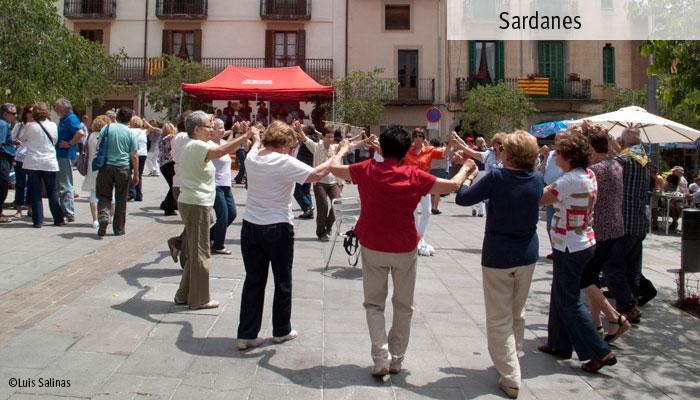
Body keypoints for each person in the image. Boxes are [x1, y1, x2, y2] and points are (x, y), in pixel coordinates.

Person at [327, 125, 474, 377]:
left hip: (373, 244)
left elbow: (333, 168)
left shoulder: (367, 169)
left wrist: (342, 150)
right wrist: (467, 170)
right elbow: (450, 186)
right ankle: (396, 359)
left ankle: (380, 356)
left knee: (374, 304)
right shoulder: (414, 175)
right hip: (404, 247)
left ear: (381, 148)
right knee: (404, 305)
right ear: (407, 149)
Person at [454, 131, 543, 399]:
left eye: (504, 148)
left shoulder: (497, 177)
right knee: (518, 312)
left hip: (498, 254)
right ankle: (512, 359)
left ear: (511, 154)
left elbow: (463, 198)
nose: (500, 150)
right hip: (527, 253)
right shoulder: (538, 179)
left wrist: (467, 175)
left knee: (498, 318)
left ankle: (510, 375)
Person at [236, 120, 336, 350]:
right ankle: (281, 330)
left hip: (250, 226)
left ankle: (246, 333)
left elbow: (256, 144)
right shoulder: (285, 160)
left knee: (253, 280)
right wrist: (338, 154)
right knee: (282, 281)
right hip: (277, 226)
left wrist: (255, 135)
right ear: (284, 143)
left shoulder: (253, 157)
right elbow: (315, 174)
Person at [538, 129, 617, 373]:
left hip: (571, 245)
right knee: (559, 294)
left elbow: (542, 198)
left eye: (558, 153)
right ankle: (559, 343)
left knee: (569, 301)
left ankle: (600, 351)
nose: (554, 156)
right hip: (577, 241)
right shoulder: (587, 174)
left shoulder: (571, 179)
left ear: (569, 157)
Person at [175, 111, 250, 310]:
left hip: (194, 202)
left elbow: (221, 146)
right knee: (201, 252)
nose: (211, 130)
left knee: (194, 251)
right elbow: (221, 151)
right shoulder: (198, 145)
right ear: (197, 129)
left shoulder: (194, 144)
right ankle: (199, 299)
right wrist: (246, 136)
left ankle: (183, 294)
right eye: (208, 126)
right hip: (196, 203)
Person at [580, 123, 631, 343]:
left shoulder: (595, 172)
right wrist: (600, 133)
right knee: (592, 278)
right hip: (615, 228)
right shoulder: (615, 164)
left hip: (599, 231)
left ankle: (614, 317)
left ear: (591, 148)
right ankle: (596, 325)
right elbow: (613, 149)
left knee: (583, 279)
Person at [606, 127, 652, 323]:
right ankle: (631, 302)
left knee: (612, 266)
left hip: (623, 222)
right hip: (640, 222)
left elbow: (612, 165)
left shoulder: (621, 162)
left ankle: (627, 305)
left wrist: (608, 142)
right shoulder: (646, 161)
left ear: (623, 143)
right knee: (632, 269)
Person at [402, 128, 450, 256]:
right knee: (413, 213)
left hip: (424, 185)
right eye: (416, 136)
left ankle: (419, 236)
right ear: (413, 138)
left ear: (424, 138)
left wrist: (451, 144)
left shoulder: (429, 150)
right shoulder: (407, 150)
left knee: (427, 211)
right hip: (410, 185)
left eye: (421, 136)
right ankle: (414, 238)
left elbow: (444, 154)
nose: (418, 138)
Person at [95, 107, 139, 237]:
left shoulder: (107, 128)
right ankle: (119, 229)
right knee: (121, 199)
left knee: (104, 195)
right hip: (123, 168)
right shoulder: (131, 133)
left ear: (117, 117)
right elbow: (134, 155)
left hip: (106, 167)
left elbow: (98, 145)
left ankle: (103, 216)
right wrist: (136, 174)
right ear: (130, 119)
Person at [296, 124, 342, 241]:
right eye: (328, 137)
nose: (330, 139)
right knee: (323, 207)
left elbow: (350, 145)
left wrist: (365, 141)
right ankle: (321, 232)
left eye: (332, 137)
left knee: (338, 204)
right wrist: (300, 129)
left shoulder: (335, 148)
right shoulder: (316, 147)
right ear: (323, 137)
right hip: (320, 182)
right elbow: (305, 139)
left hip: (333, 182)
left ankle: (328, 227)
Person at [209, 118, 248, 254]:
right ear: (211, 130)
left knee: (232, 213)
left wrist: (245, 131)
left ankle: (208, 236)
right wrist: (241, 135)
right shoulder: (209, 145)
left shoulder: (225, 143)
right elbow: (220, 151)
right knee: (223, 215)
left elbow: (245, 145)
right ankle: (218, 245)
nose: (221, 130)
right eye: (218, 127)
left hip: (226, 185)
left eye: (222, 127)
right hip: (215, 185)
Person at [22, 102, 64, 228]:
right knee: (52, 191)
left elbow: (25, 139)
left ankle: (38, 221)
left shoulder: (29, 126)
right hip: (49, 161)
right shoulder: (53, 125)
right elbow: (55, 140)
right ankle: (58, 218)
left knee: (35, 192)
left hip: (33, 161)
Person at [54, 97, 85, 222]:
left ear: (63, 107)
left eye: (56, 106)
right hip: (62, 155)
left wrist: (70, 143)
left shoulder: (70, 118)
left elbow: (80, 133)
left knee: (65, 184)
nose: (55, 109)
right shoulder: (65, 118)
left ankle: (68, 213)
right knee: (62, 184)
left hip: (65, 155)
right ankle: (65, 211)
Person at [81, 115, 112, 229]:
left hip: (92, 167)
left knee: (93, 194)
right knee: (110, 194)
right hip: (106, 166)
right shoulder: (108, 136)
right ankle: (109, 217)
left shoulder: (90, 136)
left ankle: (95, 220)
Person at [538, 134, 565, 259]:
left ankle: (562, 250)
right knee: (550, 225)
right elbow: (541, 171)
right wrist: (544, 157)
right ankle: (555, 250)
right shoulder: (551, 154)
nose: (557, 142)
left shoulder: (568, 155)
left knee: (562, 224)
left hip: (563, 194)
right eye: (557, 140)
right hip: (550, 191)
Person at [11, 105, 33, 219]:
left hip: (33, 158)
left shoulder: (37, 126)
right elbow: (11, 139)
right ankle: (19, 209)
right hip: (20, 157)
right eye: (29, 111)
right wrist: (15, 142)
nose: (31, 114)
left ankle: (30, 207)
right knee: (20, 184)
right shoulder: (19, 126)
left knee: (31, 184)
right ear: (25, 113)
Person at [292, 125, 315, 220]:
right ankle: (309, 210)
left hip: (302, 167)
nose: (302, 128)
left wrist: (297, 128)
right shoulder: (314, 138)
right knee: (305, 190)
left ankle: (308, 208)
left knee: (296, 189)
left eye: (304, 128)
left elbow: (296, 137)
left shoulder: (308, 138)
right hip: (308, 167)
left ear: (307, 131)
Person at [0, 103, 17, 223]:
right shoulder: (3, 124)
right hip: (3, 158)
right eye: (14, 113)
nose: (15, 116)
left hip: (5, 157)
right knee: (3, 185)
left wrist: (11, 142)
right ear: (5, 113)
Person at [158, 122, 178, 216]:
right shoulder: (171, 137)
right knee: (174, 186)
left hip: (163, 165)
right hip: (169, 164)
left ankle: (170, 205)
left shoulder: (163, 138)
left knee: (173, 186)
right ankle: (167, 205)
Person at [128, 116, 148, 201]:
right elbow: (154, 129)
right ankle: (139, 195)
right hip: (143, 154)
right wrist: (145, 122)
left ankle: (131, 192)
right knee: (139, 175)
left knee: (128, 173)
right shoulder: (144, 132)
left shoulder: (129, 131)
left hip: (132, 153)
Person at [428, 138, 449, 215]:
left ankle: (431, 207)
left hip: (432, 171)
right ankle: (435, 208)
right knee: (438, 191)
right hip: (441, 171)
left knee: (432, 191)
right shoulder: (443, 150)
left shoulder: (431, 151)